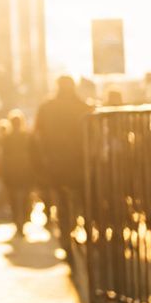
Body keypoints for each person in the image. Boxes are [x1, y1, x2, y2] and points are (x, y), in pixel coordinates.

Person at [33, 75, 92, 256]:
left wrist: (42, 160)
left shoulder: (46, 108)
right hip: (80, 162)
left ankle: (66, 236)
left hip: (55, 163)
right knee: (84, 200)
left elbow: (37, 135)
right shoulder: (83, 107)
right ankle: (84, 232)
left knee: (61, 201)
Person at [0, 110, 36, 236]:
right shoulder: (26, 136)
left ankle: (19, 222)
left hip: (14, 171)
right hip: (23, 170)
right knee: (24, 197)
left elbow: (4, 156)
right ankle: (22, 220)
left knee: (15, 197)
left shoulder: (8, 138)